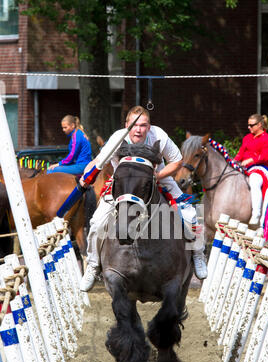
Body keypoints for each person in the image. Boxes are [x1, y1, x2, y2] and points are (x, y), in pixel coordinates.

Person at [79, 105, 207, 292]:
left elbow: (177, 161)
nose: (138, 129)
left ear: (149, 126)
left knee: (190, 214)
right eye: (134, 125)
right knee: (97, 223)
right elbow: (99, 162)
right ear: (127, 125)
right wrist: (85, 176)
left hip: (157, 178)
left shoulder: (159, 135)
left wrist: (158, 176)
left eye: (143, 125)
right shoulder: (117, 138)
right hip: (123, 184)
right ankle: (92, 265)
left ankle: (198, 254)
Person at [233, 114, 268, 226]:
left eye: (251, 125)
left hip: (261, 168)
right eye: (248, 125)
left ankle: (256, 214)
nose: (249, 127)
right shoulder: (247, 138)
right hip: (245, 167)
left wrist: (251, 160)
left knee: (254, 180)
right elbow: (240, 154)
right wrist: (233, 161)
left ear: (260, 125)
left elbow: (265, 157)